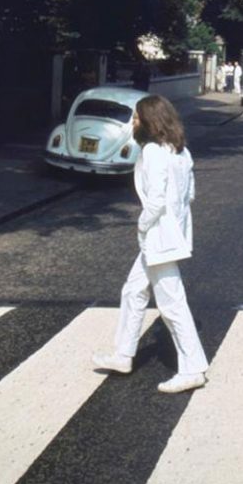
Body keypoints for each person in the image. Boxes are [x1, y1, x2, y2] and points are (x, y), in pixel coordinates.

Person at [92, 94, 209, 393]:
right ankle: (123, 355)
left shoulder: (155, 152)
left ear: (150, 121)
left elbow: (156, 201)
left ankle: (193, 369)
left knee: (172, 305)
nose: (132, 122)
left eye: (135, 117)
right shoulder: (182, 152)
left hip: (159, 238)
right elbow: (190, 195)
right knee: (133, 291)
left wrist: (142, 226)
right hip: (173, 234)